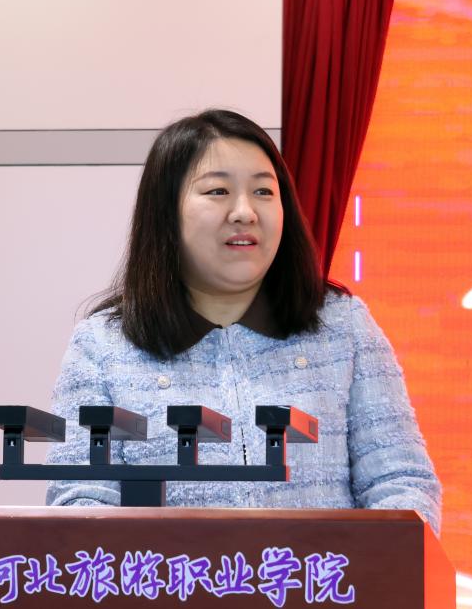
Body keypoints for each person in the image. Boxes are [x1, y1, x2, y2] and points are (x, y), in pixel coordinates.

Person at [45, 109, 442, 533]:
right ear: (165, 212)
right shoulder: (104, 346)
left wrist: (372, 565)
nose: (245, 212)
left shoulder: (343, 327)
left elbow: (400, 482)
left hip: (321, 577)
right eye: (217, 191)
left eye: (263, 191)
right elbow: (80, 500)